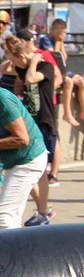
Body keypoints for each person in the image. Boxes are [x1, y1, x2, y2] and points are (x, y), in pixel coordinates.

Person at [4, 34, 57, 225]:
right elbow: (8, 69)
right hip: (30, 122)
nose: (12, 63)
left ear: (23, 57)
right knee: (28, 169)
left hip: (44, 121)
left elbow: (31, 79)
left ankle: (43, 212)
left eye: (13, 58)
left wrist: (33, 60)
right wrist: (15, 58)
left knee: (40, 169)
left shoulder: (45, 67)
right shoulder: (20, 67)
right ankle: (43, 209)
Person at [0, 86, 47, 229]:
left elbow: (21, 139)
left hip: (28, 160)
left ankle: (14, 251)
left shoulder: (2, 99)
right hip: (11, 161)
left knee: (4, 216)